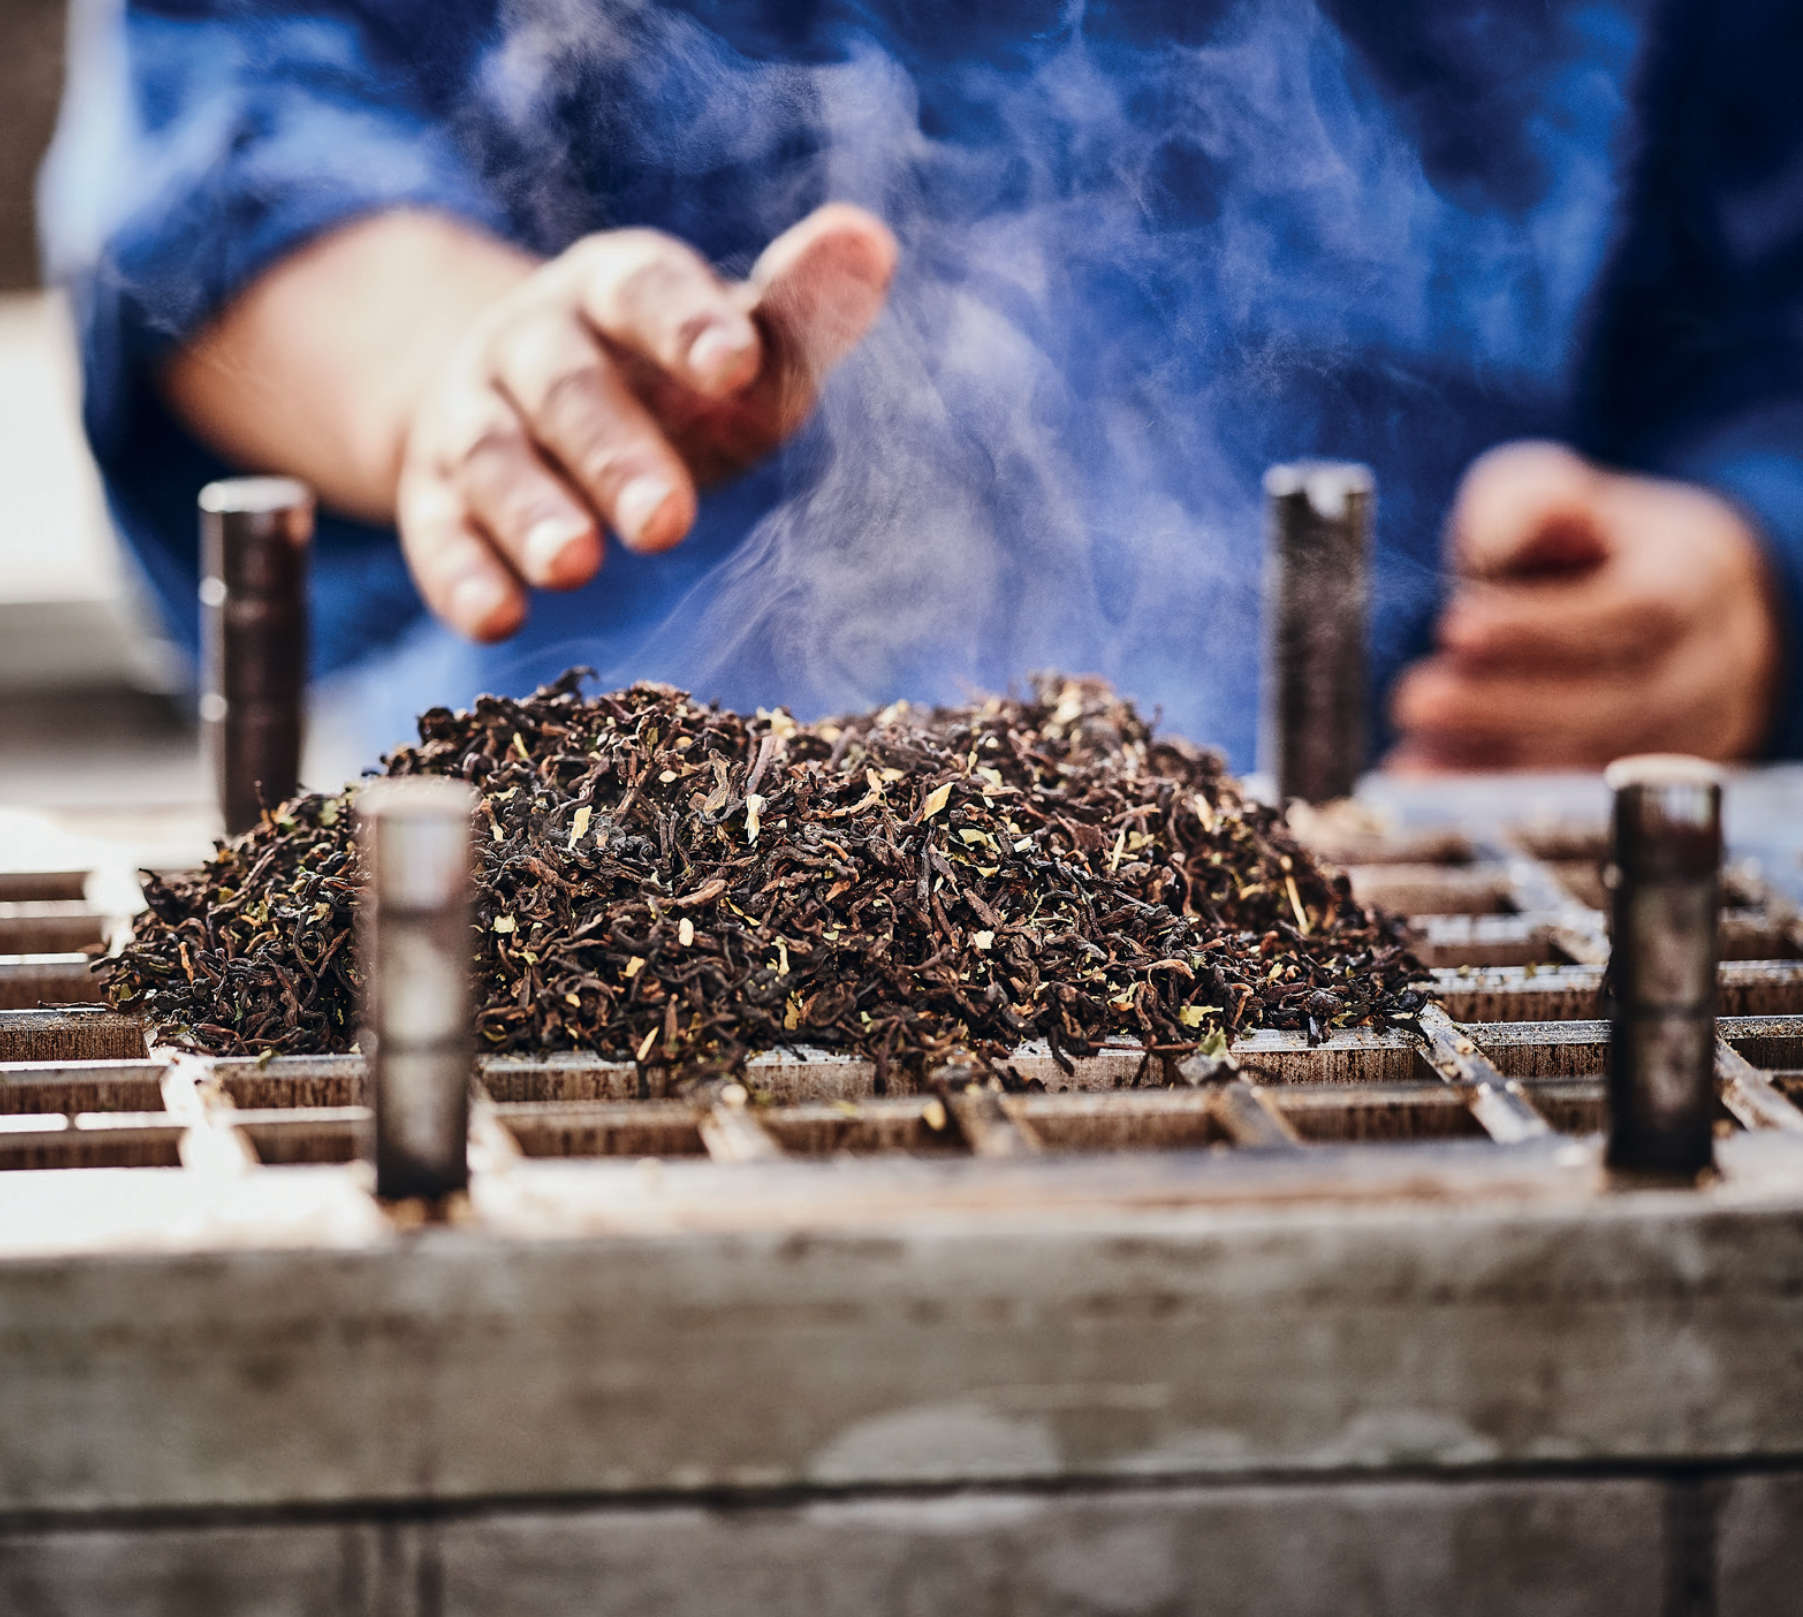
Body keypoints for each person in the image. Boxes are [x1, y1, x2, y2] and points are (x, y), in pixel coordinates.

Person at [39, 0, 1803, 772]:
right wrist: (463, 369)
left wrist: (1741, 572)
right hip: (552, 921)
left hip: (1397, 917)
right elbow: (221, 130)